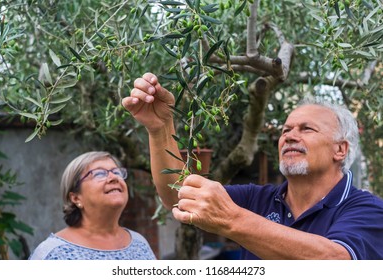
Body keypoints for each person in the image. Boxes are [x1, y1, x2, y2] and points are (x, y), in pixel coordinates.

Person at [122, 72, 383, 260]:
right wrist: (160, 129)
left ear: (340, 149)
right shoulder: (258, 199)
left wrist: (231, 220)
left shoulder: (367, 210)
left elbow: (334, 262)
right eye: (286, 130)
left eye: (307, 129)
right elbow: (178, 196)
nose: (289, 136)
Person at [29, 151, 156, 260]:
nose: (113, 178)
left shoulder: (139, 243)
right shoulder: (53, 253)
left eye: (116, 172)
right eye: (99, 174)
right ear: (76, 198)